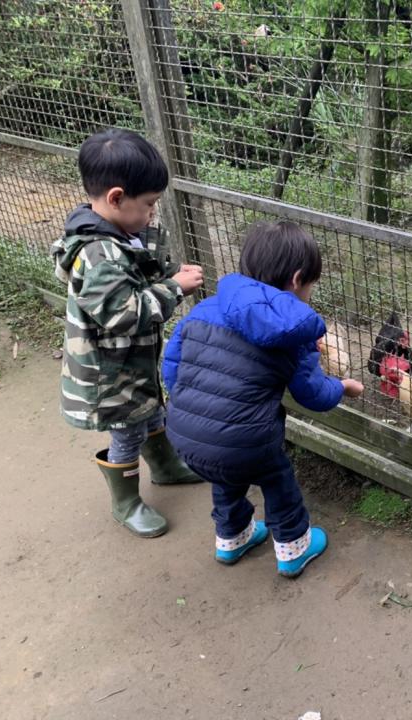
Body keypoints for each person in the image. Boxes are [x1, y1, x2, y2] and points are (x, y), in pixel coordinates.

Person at [162, 220, 364, 577]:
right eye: (312, 285)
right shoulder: (292, 333)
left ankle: (232, 538)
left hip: (183, 435)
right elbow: (312, 394)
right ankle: (293, 548)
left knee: (226, 477)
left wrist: (194, 407)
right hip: (246, 442)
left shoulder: (203, 309)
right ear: (299, 279)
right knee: (275, 476)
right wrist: (341, 389)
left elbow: (172, 370)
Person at [51, 128, 205, 539]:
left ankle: (167, 467)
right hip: (109, 374)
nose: (153, 213)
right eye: (149, 205)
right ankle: (125, 502)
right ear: (116, 198)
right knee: (128, 429)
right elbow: (123, 313)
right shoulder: (97, 253)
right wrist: (176, 289)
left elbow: (140, 273)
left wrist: (170, 272)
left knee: (151, 410)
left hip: (132, 363)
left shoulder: (120, 232)